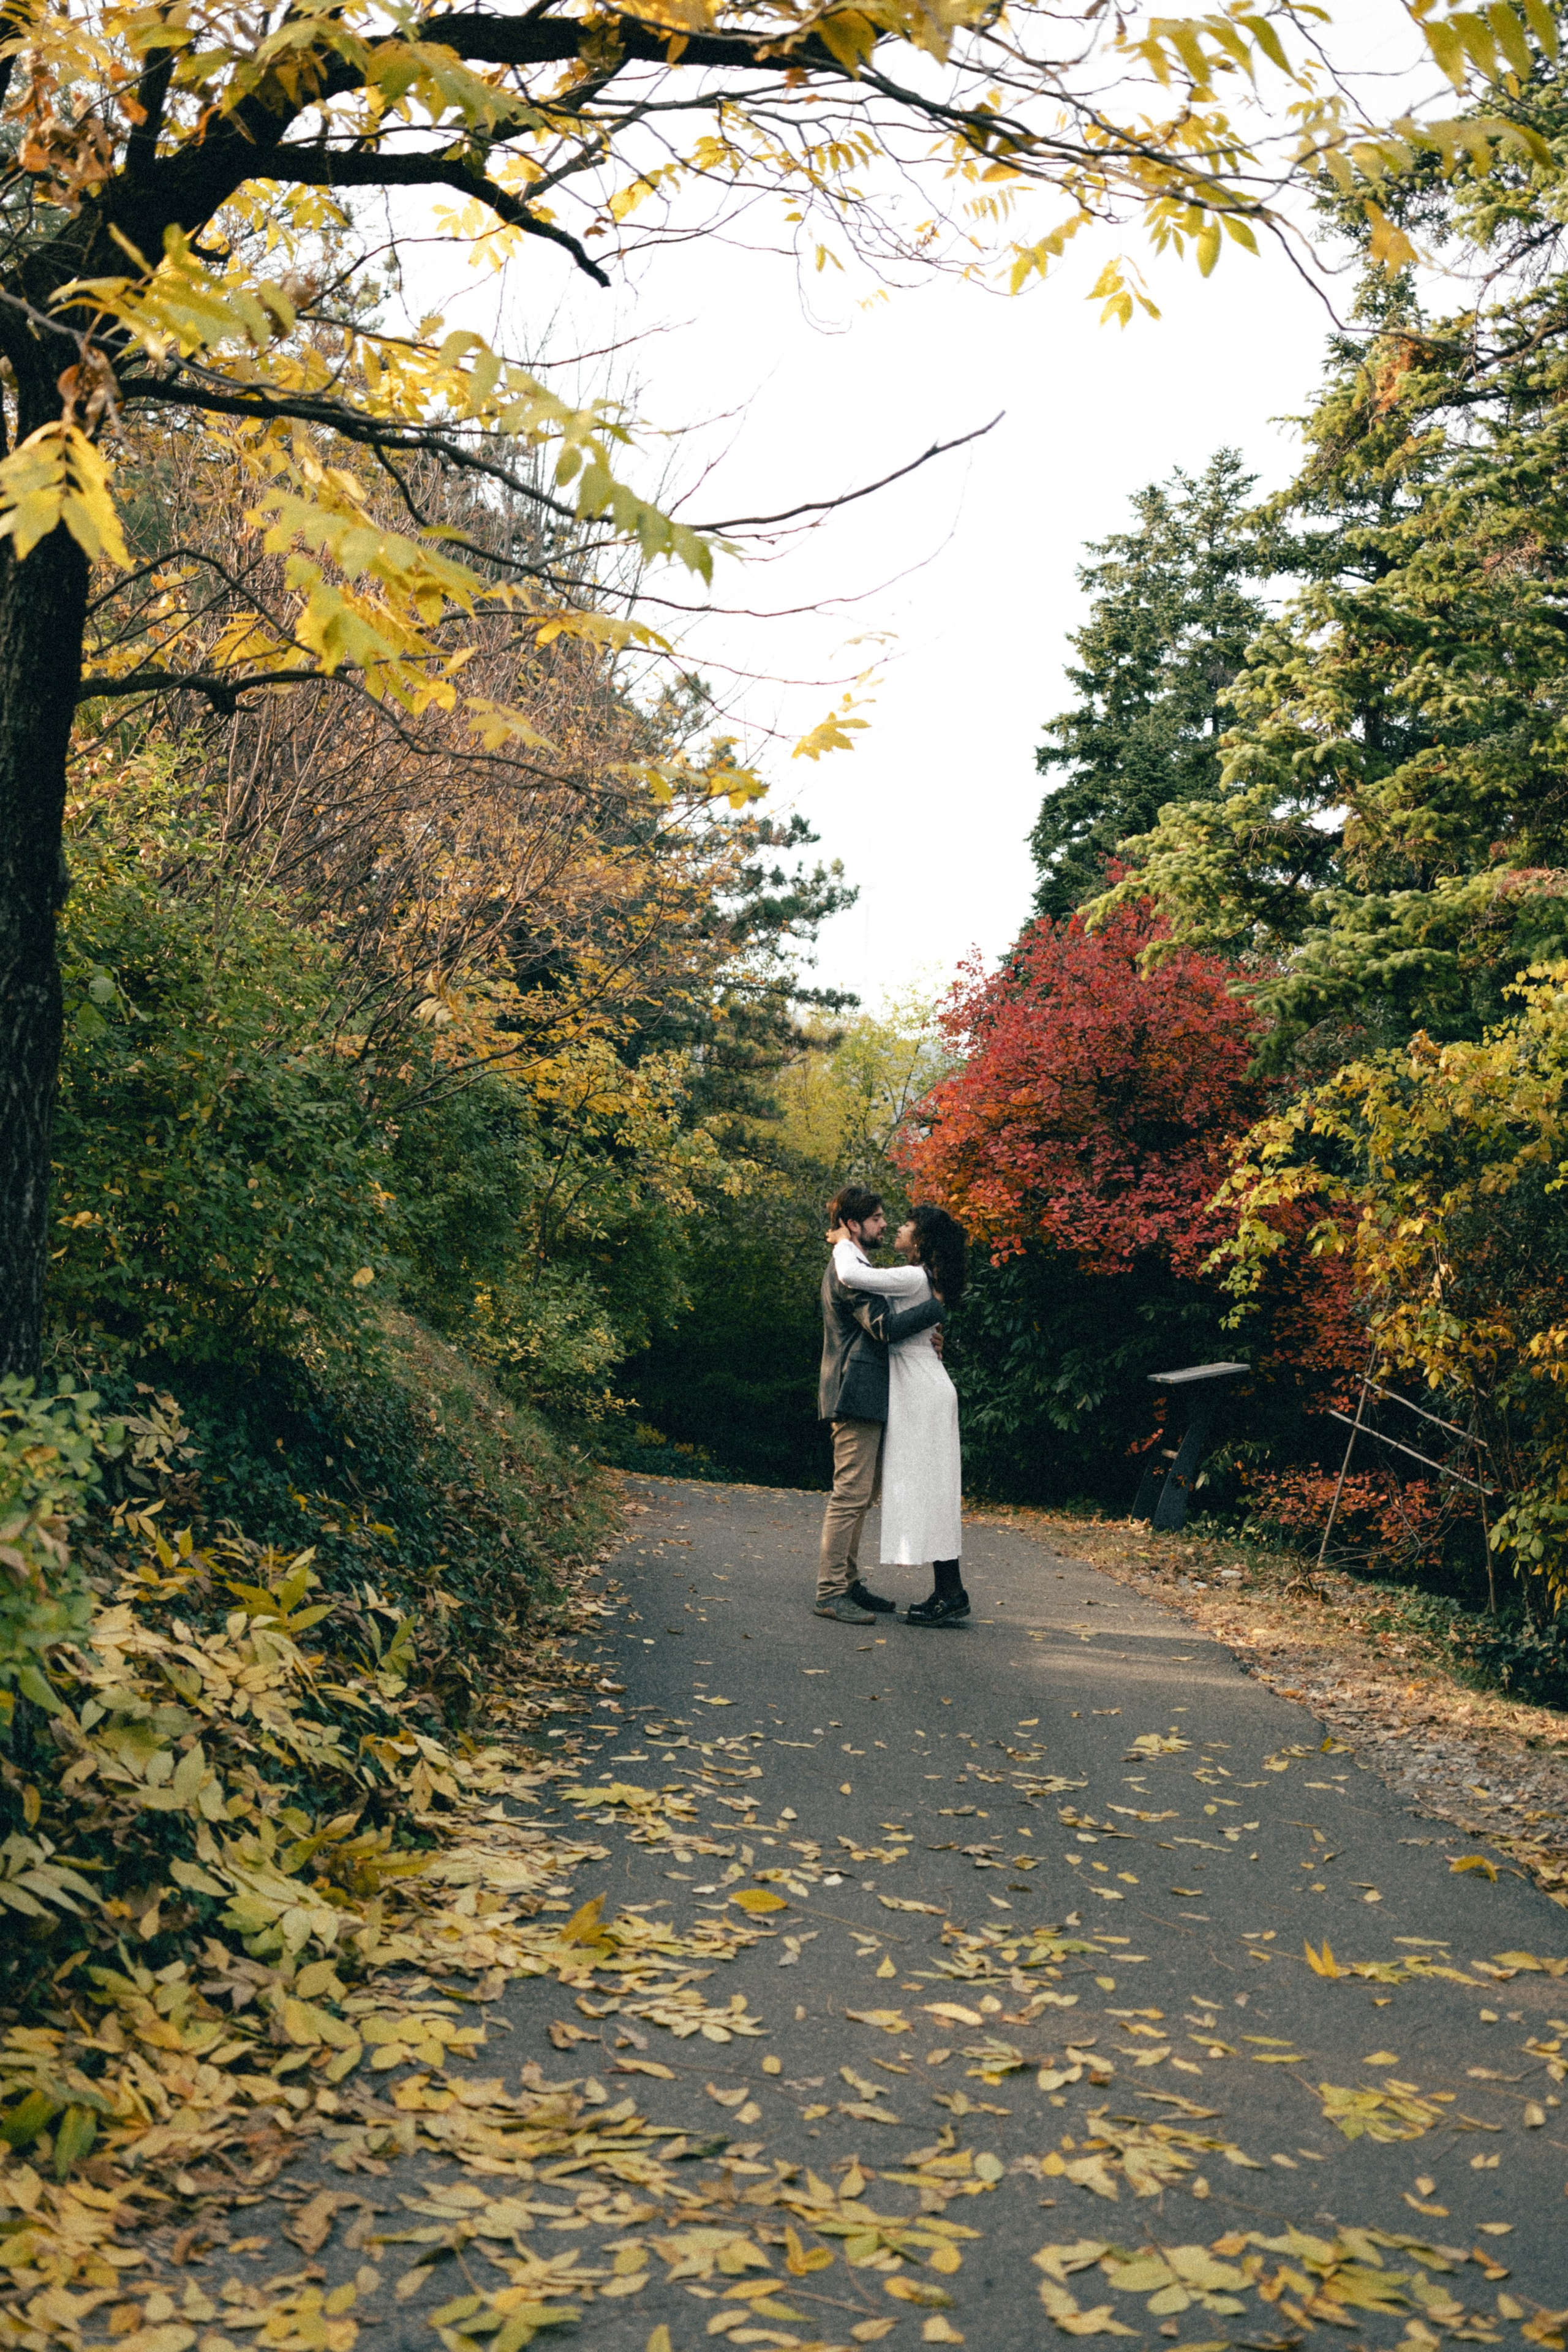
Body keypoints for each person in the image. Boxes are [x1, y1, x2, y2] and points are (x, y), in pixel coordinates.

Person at [831, 1201, 970, 1627]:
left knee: (931, 1490)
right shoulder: (923, 1279)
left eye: (907, 1225)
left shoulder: (913, 1276)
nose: (898, 1228)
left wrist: (840, 1241)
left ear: (922, 1239)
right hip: (924, 1386)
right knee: (932, 1490)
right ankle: (949, 1591)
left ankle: (951, 1593)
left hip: (922, 1392)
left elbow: (853, 1275)